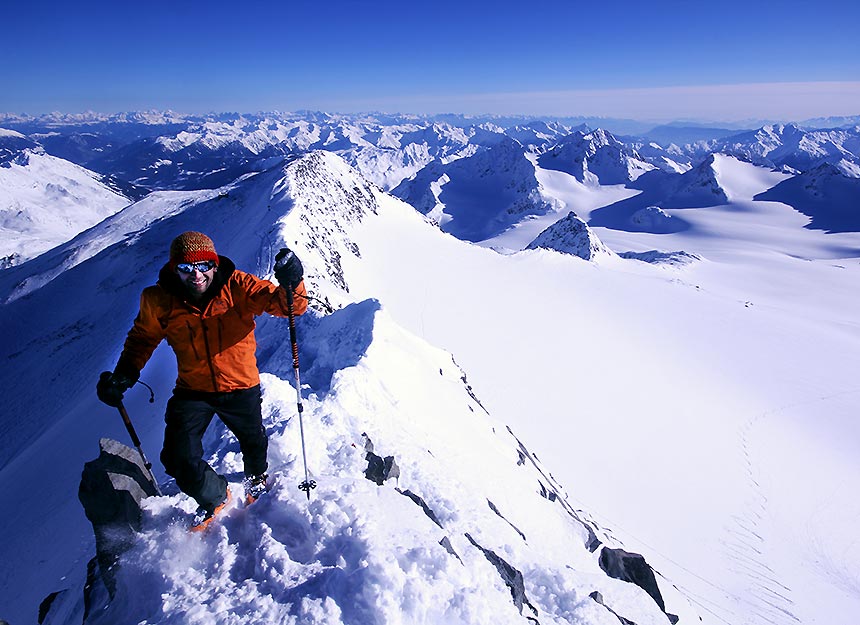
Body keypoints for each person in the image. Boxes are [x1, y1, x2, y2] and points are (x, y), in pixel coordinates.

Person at [96, 231, 307, 530]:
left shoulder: (238, 286)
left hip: (240, 384)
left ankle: (256, 478)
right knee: (176, 456)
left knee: (253, 440)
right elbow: (143, 338)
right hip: (193, 390)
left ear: (214, 264)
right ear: (174, 269)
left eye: (204, 265)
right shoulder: (159, 300)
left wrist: (292, 281)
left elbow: (289, 306)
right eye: (186, 268)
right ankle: (215, 496)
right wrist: (124, 374)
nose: (196, 274)